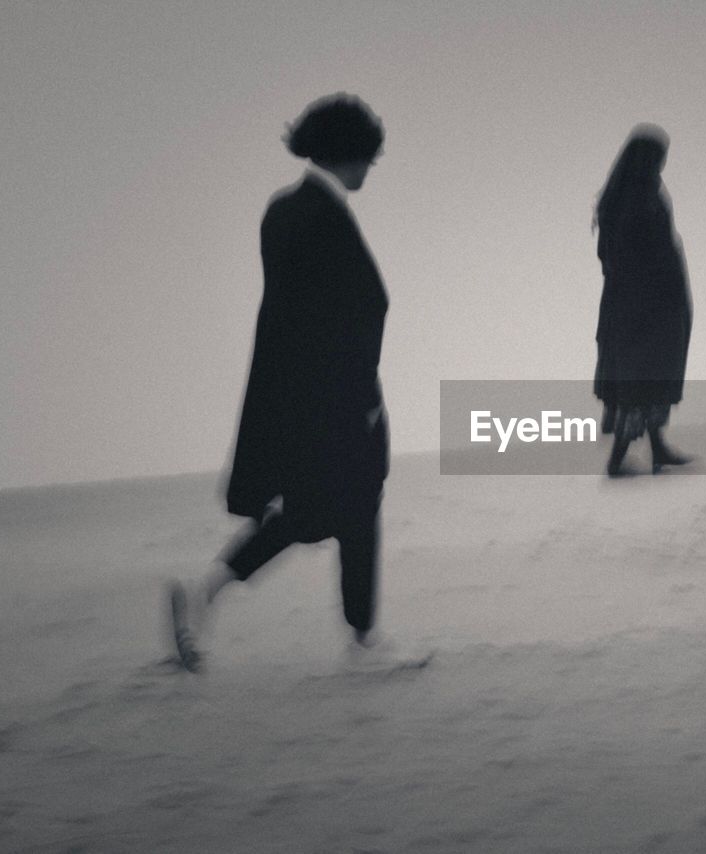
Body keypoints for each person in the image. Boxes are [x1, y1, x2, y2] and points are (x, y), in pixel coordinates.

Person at [169, 93, 389, 671]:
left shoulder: (284, 210)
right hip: (338, 396)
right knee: (355, 507)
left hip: (299, 393)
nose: (372, 167)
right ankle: (362, 642)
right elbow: (353, 310)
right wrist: (361, 399)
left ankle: (207, 592)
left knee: (308, 514)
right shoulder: (322, 215)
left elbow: (289, 315)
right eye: (368, 155)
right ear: (349, 153)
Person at [593, 124, 694, 476]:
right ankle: (618, 460)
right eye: (658, 155)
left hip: (646, 303)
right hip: (643, 306)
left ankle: (658, 447)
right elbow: (622, 256)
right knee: (641, 377)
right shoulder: (635, 196)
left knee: (650, 374)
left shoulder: (630, 192)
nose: (663, 162)